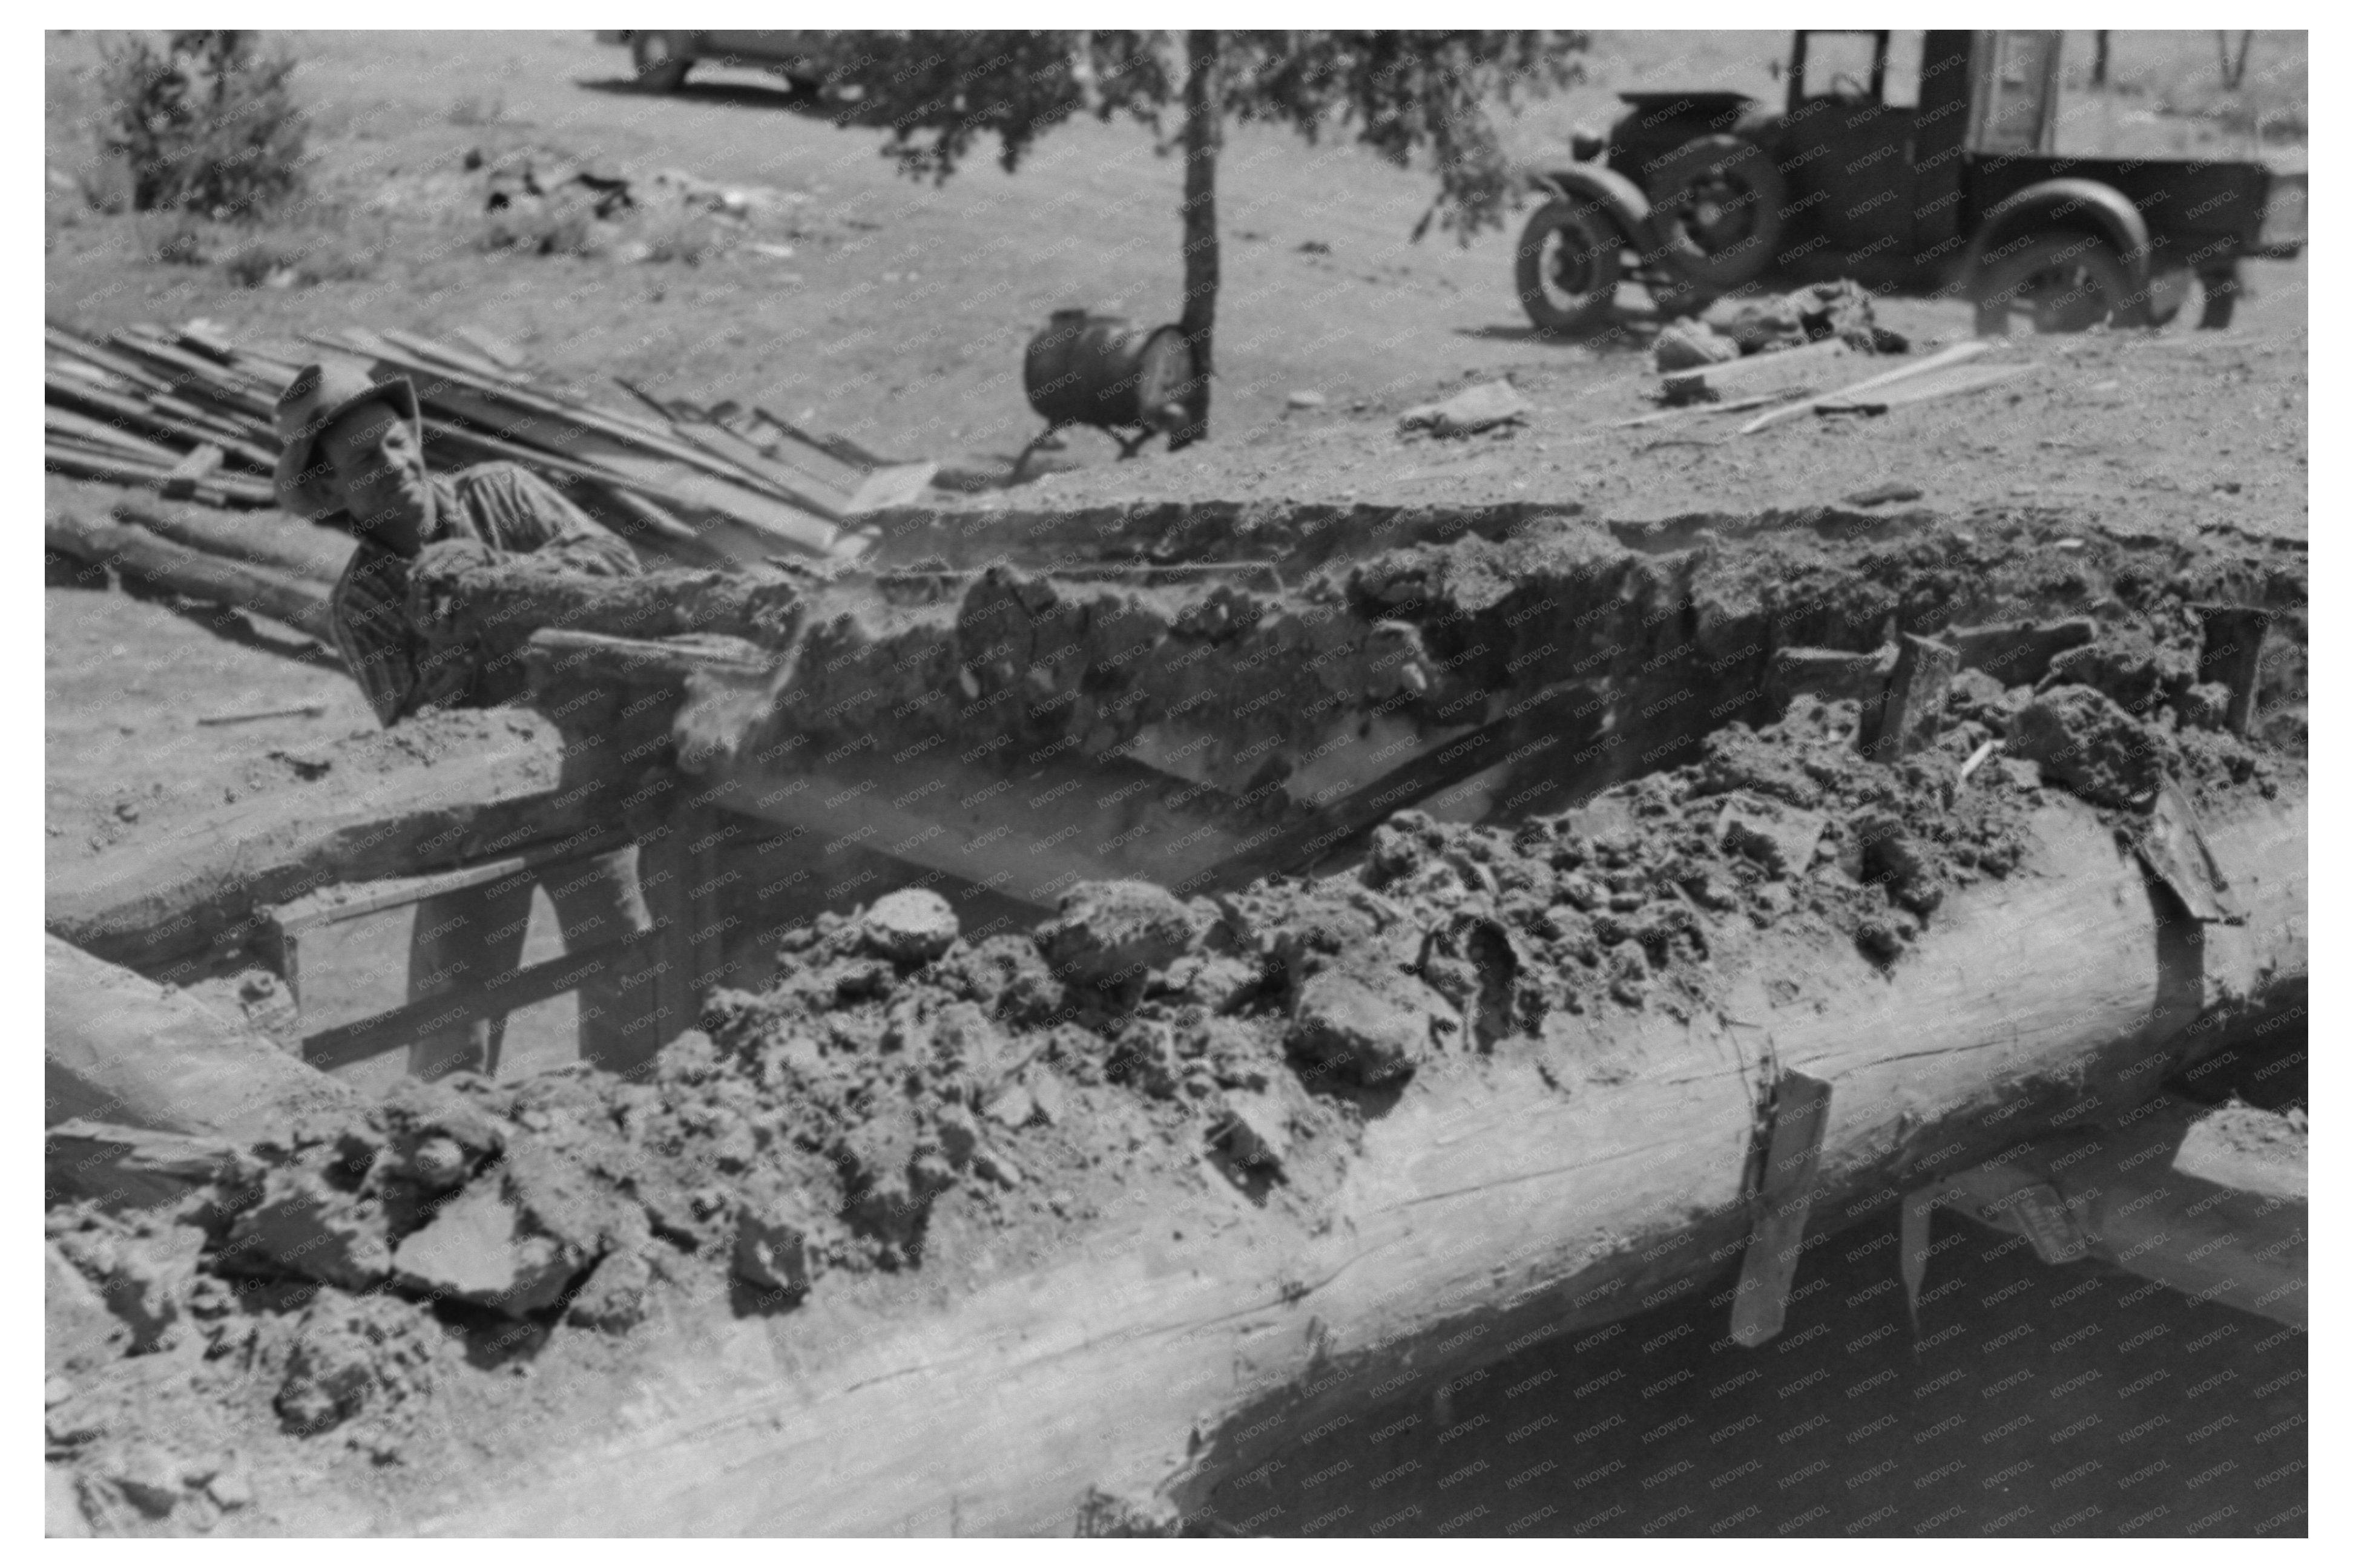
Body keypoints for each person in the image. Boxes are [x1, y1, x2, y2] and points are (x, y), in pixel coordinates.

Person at [274, 361, 660, 1081]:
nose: (393, 465)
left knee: (626, 966)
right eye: (363, 459)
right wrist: (450, 639)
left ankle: (627, 1116)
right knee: (454, 1018)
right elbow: (416, 742)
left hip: (582, 775)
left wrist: (498, 577)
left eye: (395, 443)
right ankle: (443, 1147)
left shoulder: (502, 493)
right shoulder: (361, 605)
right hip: (478, 818)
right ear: (329, 487)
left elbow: (619, 566)